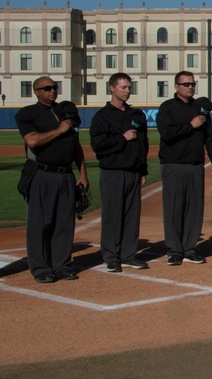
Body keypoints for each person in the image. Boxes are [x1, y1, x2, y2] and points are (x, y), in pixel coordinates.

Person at [15, 78, 89, 283]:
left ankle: (62, 265)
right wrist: (59, 130)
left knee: (64, 222)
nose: (52, 91)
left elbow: (76, 146)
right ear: (36, 91)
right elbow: (31, 140)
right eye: (46, 88)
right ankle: (40, 267)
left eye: (54, 88)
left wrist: (83, 174)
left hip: (66, 174)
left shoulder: (66, 111)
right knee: (40, 223)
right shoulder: (27, 113)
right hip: (41, 173)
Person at [156, 71, 212, 266]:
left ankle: (189, 248)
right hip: (174, 164)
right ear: (176, 87)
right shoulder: (167, 107)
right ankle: (174, 250)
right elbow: (167, 133)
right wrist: (190, 125)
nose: (190, 87)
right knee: (174, 208)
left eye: (192, 84)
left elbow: (209, 135)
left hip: (194, 165)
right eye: (186, 84)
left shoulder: (200, 108)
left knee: (194, 208)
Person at [90, 73, 149, 273]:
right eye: (123, 87)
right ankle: (111, 255)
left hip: (133, 170)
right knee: (113, 215)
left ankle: (128, 254)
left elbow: (143, 144)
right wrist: (122, 138)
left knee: (132, 215)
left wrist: (142, 169)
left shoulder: (137, 115)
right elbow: (98, 145)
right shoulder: (102, 117)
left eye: (129, 87)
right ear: (112, 88)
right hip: (113, 171)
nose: (127, 91)